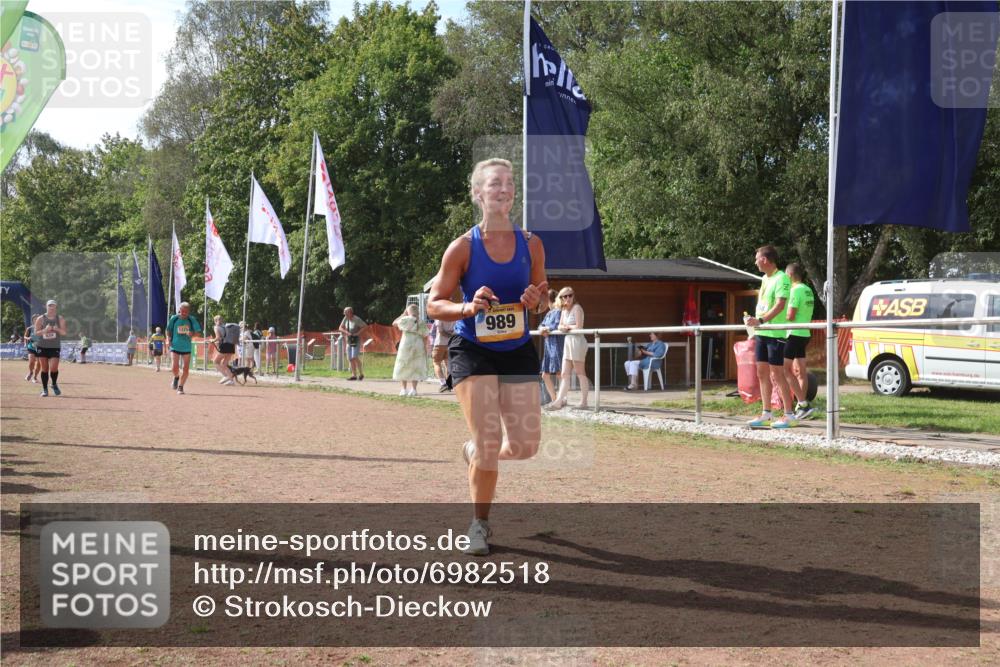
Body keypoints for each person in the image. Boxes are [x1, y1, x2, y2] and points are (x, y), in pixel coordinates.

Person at [427, 157, 548, 556]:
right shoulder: (462, 247)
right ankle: (479, 524)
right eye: (495, 184)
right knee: (490, 438)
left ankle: (475, 451)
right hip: (473, 350)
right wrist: (467, 307)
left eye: (509, 184)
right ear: (478, 194)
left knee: (527, 445)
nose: (504, 189)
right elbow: (434, 304)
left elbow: (543, 298)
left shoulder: (532, 244)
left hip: (517, 349)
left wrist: (536, 300)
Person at [744, 244, 796, 429]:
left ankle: (789, 414)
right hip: (762, 332)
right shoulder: (765, 278)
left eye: (757, 258)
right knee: (761, 372)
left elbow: (780, 305)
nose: (755, 261)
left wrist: (761, 320)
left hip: (775, 333)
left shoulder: (782, 278)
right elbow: (766, 304)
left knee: (777, 373)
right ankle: (766, 412)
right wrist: (754, 321)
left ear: (764, 260)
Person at [546, 287, 589, 410]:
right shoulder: (564, 310)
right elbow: (559, 325)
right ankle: (558, 401)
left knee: (580, 373)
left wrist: (567, 327)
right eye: (565, 296)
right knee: (564, 373)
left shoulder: (577, 308)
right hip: (568, 341)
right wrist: (563, 327)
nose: (568, 298)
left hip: (577, 341)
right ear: (560, 298)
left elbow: (579, 327)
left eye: (570, 295)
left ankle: (584, 402)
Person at [782, 262, 816, 420]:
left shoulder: (795, 290)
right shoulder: (808, 289)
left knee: (784, 369)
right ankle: (802, 405)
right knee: (801, 371)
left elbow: (790, 315)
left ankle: (802, 403)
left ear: (789, 275)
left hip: (793, 333)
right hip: (804, 333)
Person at [393, 303, 430, 396]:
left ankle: (403, 389)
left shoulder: (405, 319)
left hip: (406, 343)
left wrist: (403, 314)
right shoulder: (421, 321)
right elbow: (425, 334)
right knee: (416, 365)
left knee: (403, 364)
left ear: (408, 311)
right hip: (418, 344)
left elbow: (394, 323)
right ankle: (413, 389)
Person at [166, 302, 201, 395]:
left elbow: (198, 332)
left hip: (186, 347)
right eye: (182, 311)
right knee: (174, 367)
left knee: (186, 369)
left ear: (189, 311)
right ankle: (176, 377)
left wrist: (192, 334)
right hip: (175, 345)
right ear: (179, 310)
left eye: (186, 312)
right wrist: (168, 340)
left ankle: (181, 387)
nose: (184, 313)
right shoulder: (174, 318)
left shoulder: (191, 319)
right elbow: (168, 330)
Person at [34, 300, 67, 397]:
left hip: (54, 346)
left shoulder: (60, 318)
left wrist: (57, 329)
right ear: (46, 307)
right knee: (44, 369)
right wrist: (45, 330)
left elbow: (64, 332)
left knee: (53, 368)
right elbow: (36, 333)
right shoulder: (40, 318)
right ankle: (44, 389)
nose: (51, 307)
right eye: (49, 306)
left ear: (56, 307)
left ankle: (53, 384)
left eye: (53, 306)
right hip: (42, 346)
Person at [538, 289, 563, 404]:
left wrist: (547, 328)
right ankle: (554, 399)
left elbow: (557, 324)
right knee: (545, 374)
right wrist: (542, 328)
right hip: (548, 346)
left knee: (559, 372)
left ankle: (561, 399)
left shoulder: (558, 311)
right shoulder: (549, 313)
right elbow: (542, 325)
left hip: (556, 345)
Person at [339, 307, 367, 380]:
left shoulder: (357, 319)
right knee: (350, 358)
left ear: (350, 312)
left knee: (354, 356)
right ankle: (354, 375)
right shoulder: (345, 318)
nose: (344, 314)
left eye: (346, 313)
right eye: (344, 313)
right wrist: (347, 333)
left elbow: (365, 326)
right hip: (349, 340)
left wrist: (357, 333)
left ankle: (361, 373)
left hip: (356, 340)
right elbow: (340, 328)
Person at [430, 317, 455, 392]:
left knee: (436, 363)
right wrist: (451, 336)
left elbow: (441, 331)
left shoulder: (440, 317)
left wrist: (448, 335)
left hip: (440, 343)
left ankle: (443, 383)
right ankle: (449, 384)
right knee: (447, 363)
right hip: (450, 343)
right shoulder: (454, 317)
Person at [211, 316, 237, 385]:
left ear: (215, 321)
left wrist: (212, 340)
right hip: (231, 345)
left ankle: (226, 376)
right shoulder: (226, 326)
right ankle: (231, 381)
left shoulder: (216, 327)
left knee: (216, 362)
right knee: (224, 364)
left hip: (224, 346)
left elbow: (218, 337)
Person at [23, 317, 39, 382]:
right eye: (35, 319)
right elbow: (24, 336)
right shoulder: (29, 329)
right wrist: (28, 338)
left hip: (40, 347)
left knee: (39, 364)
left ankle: (35, 377)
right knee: (31, 361)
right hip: (31, 346)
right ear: (33, 321)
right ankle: (30, 372)